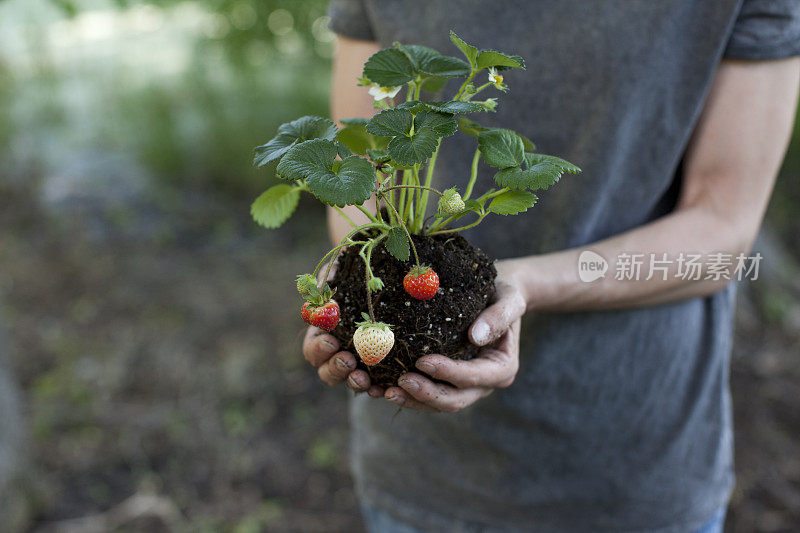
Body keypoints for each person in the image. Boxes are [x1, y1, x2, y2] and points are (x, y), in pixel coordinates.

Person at [303, 1, 800, 531]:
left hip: (633, 460)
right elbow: (358, 172)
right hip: (421, 469)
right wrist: (358, 286)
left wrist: (525, 284)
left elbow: (723, 232)